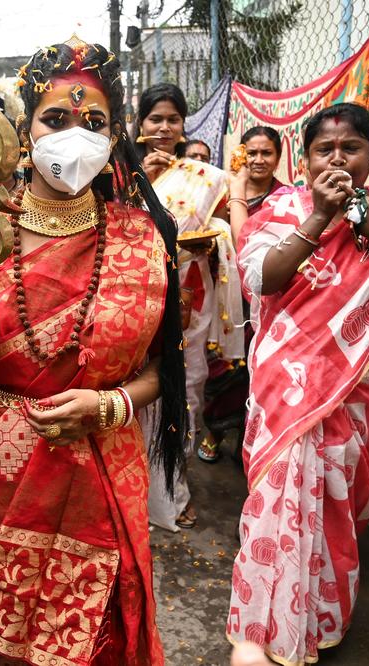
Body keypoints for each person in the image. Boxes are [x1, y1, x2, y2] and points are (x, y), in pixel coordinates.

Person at [0, 37, 188, 664]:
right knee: (0, 639)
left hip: (96, 464)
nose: (74, 137)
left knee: (92, 641)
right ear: (25, 131)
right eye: (55, 119)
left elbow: (157, 373)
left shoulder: (144, 240)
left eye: (94, 123)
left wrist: (107, 404)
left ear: (115, 138)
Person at [229, 103, 369, 664]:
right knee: (279, 492)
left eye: (351, 148)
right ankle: (264, 623)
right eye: (325, 149)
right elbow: (263, 280)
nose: (338, 159)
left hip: (355, 389)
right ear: (305, 159)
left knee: (334, 501)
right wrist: (318, 218)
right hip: (287, 382)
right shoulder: (281, 208)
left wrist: (368, 227)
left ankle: (320, 615)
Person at [136, 82, 244, 530]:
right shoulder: (119, 169)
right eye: (155, 118)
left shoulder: (206, 176)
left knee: (186, 392)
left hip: (189, 299)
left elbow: (230, 233)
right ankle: (133, 493)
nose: (164, 127)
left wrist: (213, 239)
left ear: (184, 125)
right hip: (136, 296)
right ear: (140, 123)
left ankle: (174, 493)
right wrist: (140, 177)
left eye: (172, 119)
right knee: (138, 392)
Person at [199, 126, 287, 463]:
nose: (259, 160)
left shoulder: (285, 199)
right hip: (223, 296)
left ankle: (248, 440)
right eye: (252, 153)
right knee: (222, 367)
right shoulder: (222, 193)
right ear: (241, 155)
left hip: (264, 300)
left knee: (255, 373)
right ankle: (214, 431)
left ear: (278, 157)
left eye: (267, 153)